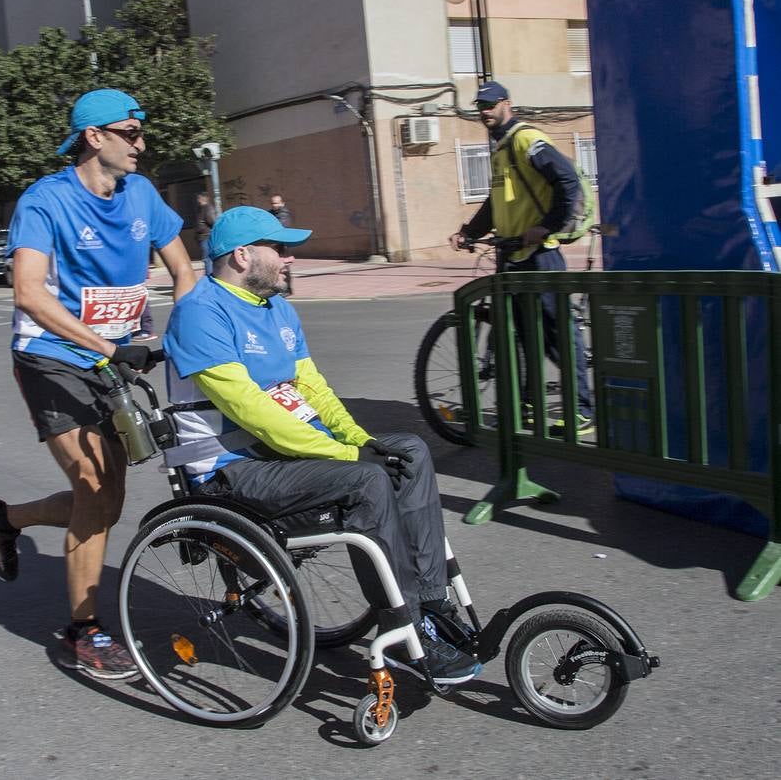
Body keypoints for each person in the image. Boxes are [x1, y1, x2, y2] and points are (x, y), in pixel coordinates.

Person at [163, 205, 483, 686]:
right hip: (232, 469)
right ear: (244, 256)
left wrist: (361, 439)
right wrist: (348, 456)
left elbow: (313, 390)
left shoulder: (279, 309)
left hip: (282, 454)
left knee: (409, 452)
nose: (290, 259)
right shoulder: (199, 313)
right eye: (282, 249)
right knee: (366, 479)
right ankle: (405, 623)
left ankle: (430, 601)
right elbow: (254, 411)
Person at [0, 88, 196, 681]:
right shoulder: (46, 200)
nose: (142, 144)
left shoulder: (142, 194)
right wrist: (106, 347)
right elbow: (28, 292)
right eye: (132, 132)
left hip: (117, 359)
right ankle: (84, 630)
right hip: (52, 356)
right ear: (95, 137)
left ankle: (4, 519)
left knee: (108, 502)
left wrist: (194, 336)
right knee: (95, 489)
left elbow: (183, 270)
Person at [448, 80, 593, 432]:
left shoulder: (526, 139)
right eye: (479, 106)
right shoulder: (500, 149)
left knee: (559, 333)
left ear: (506, 104)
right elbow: (495, 203)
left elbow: (568, 180)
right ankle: (528, 404)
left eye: (489, 104)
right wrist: (469, 232)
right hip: (512, 254)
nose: (484, 111)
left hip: (540, 254)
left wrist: (547, 226)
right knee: (525, 335)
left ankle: (583, 410)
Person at [269, 194, 294, 295]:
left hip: (282, 244)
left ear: (282, 203)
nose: (274, 205)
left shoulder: (284, 214)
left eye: (276, 203)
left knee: (284, 267)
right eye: (272, 203)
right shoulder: (270, 213)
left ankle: (287, 289)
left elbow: (280, 227)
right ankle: (279, 288)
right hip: (274, 245)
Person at [196, 191, 217, 275]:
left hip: (206, 236)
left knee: (207, 259)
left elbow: (212, 220)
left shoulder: (207, 208)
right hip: (203, 237)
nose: (198, 200)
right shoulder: (202, 208)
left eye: (199, 198)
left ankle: (210, 277)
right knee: (206, 258)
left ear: (203, 198)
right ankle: (209, 276)